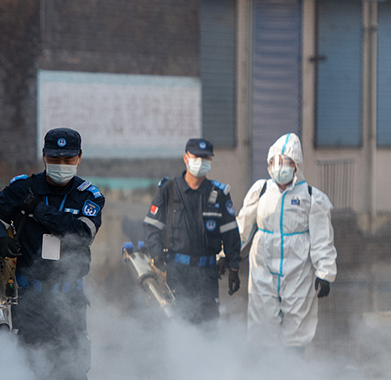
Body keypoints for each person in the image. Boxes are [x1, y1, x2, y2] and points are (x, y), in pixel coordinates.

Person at [0, 127, 104, 380]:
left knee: (74, 374)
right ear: (44, 156)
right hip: (30, 298)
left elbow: (81, 233)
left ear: (79, 158)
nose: (62, 165)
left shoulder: (89, 196)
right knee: (33, 370)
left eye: (68, 159)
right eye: (56, 158)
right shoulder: (24, 188)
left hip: (69, 299)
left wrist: (39, 211)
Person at [236, 133, 337, 349]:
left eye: (287, 162)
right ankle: (265, 376)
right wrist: (225, 255)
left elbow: (322, 239)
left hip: (297, 270)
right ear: (270, 163)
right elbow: (242, 226)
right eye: (276, 162)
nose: (280, 167)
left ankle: (292, 375)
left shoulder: (311, 197)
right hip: (262, 266)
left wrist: (325, 273)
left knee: (297, 325)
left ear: (296, 165)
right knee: (262, 324)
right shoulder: (261, 191)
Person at [141, 138, 241, 324]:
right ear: (186, 158)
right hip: (176, 272)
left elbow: (230, 233)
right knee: (177, 324)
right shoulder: (168, 190)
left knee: (208, 326)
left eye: (206, 158)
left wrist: (234, 266)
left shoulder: (218, 194)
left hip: (207, 274)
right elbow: (152, 227)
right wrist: (156, 255)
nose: (201, 162)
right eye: (196, 157)